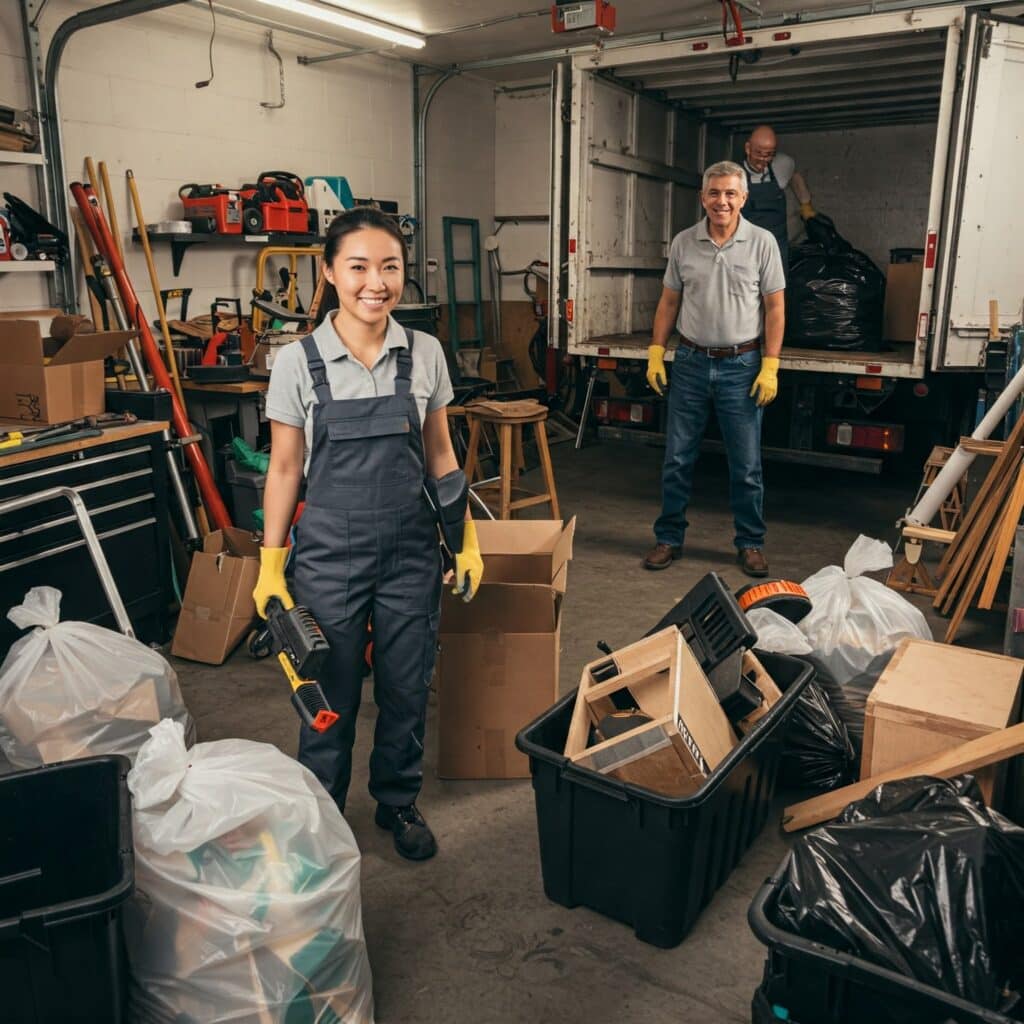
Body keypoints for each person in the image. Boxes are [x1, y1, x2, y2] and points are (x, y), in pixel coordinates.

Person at [252, 207, 484, 862]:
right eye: (358, 267)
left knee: (407, 687)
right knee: (331, 691)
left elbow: (441, 456)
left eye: (390, 267)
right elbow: (286, 467)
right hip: (328, 553)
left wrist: (461, 539)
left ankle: (397, 802)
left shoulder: (425, 353)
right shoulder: (298, 362)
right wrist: (272, 564)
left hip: (411, 549)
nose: (374, 283)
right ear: (329, 272)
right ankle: (321, 814)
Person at [643, 160, 785, 578]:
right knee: (677, 459)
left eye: (730, 193)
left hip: (742, 365)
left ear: (743, 198)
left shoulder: (763, 243)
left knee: (746, 464)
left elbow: (775, 307)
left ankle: (750, 543)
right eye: (714, 193)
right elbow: (669, 301)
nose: (721, 201)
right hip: (689, 363)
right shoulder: (684, 243)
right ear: (702, 197)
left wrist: (771, 365)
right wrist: (656, 351)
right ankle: (669, 537)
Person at [741, 124, 816, 271]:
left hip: (777, 249)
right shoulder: (734, 175)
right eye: (759, 153)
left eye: (769, 154)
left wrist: (806, 205)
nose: (763, 159)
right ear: (748, 148)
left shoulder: (783, 164)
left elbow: (795, 177)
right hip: (747, 251)